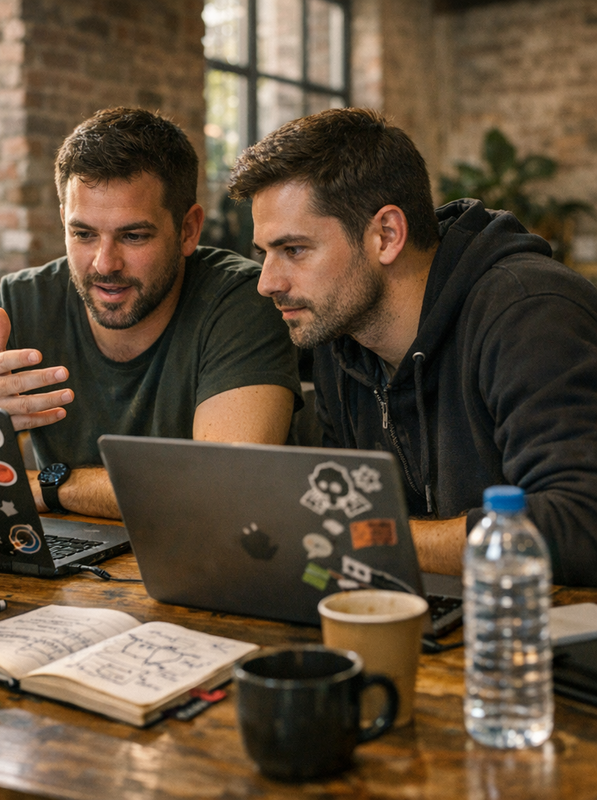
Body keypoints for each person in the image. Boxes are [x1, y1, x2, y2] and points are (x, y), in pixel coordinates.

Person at [228, 106, 597, 587]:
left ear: (386, 235)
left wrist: (369, 538)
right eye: (265, 254)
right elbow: (338, 516)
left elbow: (581, 525)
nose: (268, 282)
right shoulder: (340, 338)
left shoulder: (529, 313)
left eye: (293, 250)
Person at [0, 107, 300, 519]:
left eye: (133, 236)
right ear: (63, 219)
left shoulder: (240, 300)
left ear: (188, 230)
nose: (104, 264)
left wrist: (52, 484)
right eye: (83, 234)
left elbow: (222, 488)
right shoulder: (17, 305)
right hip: (62, 570)